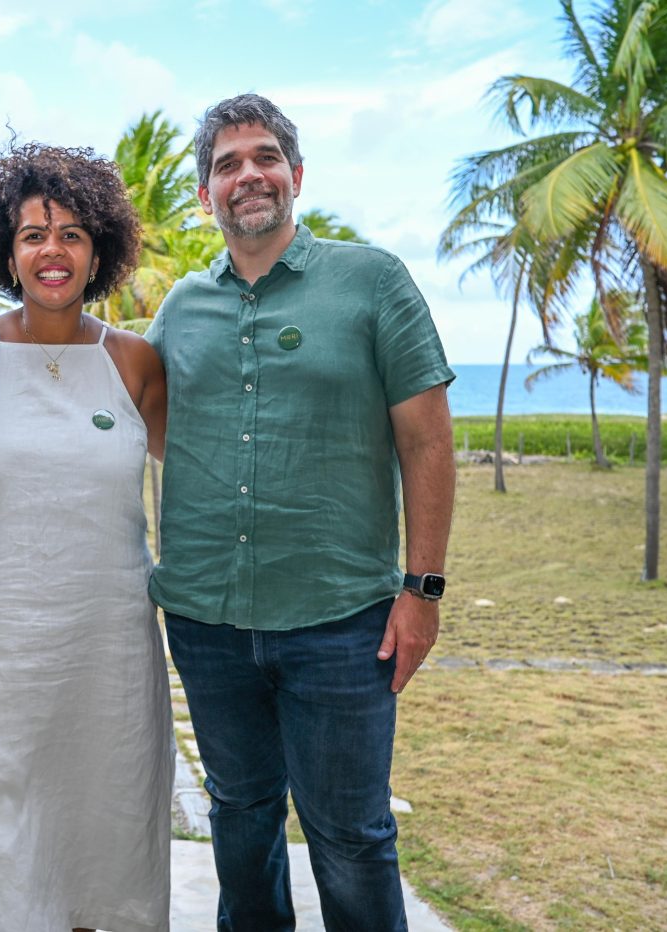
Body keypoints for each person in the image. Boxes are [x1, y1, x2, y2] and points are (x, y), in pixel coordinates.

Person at [145, 93, 456, 931]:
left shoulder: (372, 280)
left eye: (263, 157)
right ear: (206, 193)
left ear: (296, 174)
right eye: (226, 164)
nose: (247, 175)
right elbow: (165, 431)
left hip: (342, 622)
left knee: (351, 839)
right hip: (208, 623)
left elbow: (427, 444)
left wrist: (422, 590)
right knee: (239, 821)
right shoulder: (179, 308)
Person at [0, 142, 173, 932]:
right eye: (33, 233)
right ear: (8, 249)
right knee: (0, 845)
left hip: (111, 652)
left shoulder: (134, 363)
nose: (51, 251)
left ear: (99, 249)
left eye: (70, 233)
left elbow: (206, 478)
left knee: (108, 836)